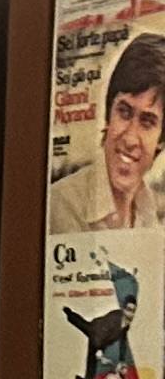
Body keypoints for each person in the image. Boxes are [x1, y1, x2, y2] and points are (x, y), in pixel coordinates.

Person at [54, 33, 165, 232]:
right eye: (124, 112)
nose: (130, 139)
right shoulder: (61, 204)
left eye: (147, 122)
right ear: (108, 114)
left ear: (161, 140)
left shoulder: (156, 216)